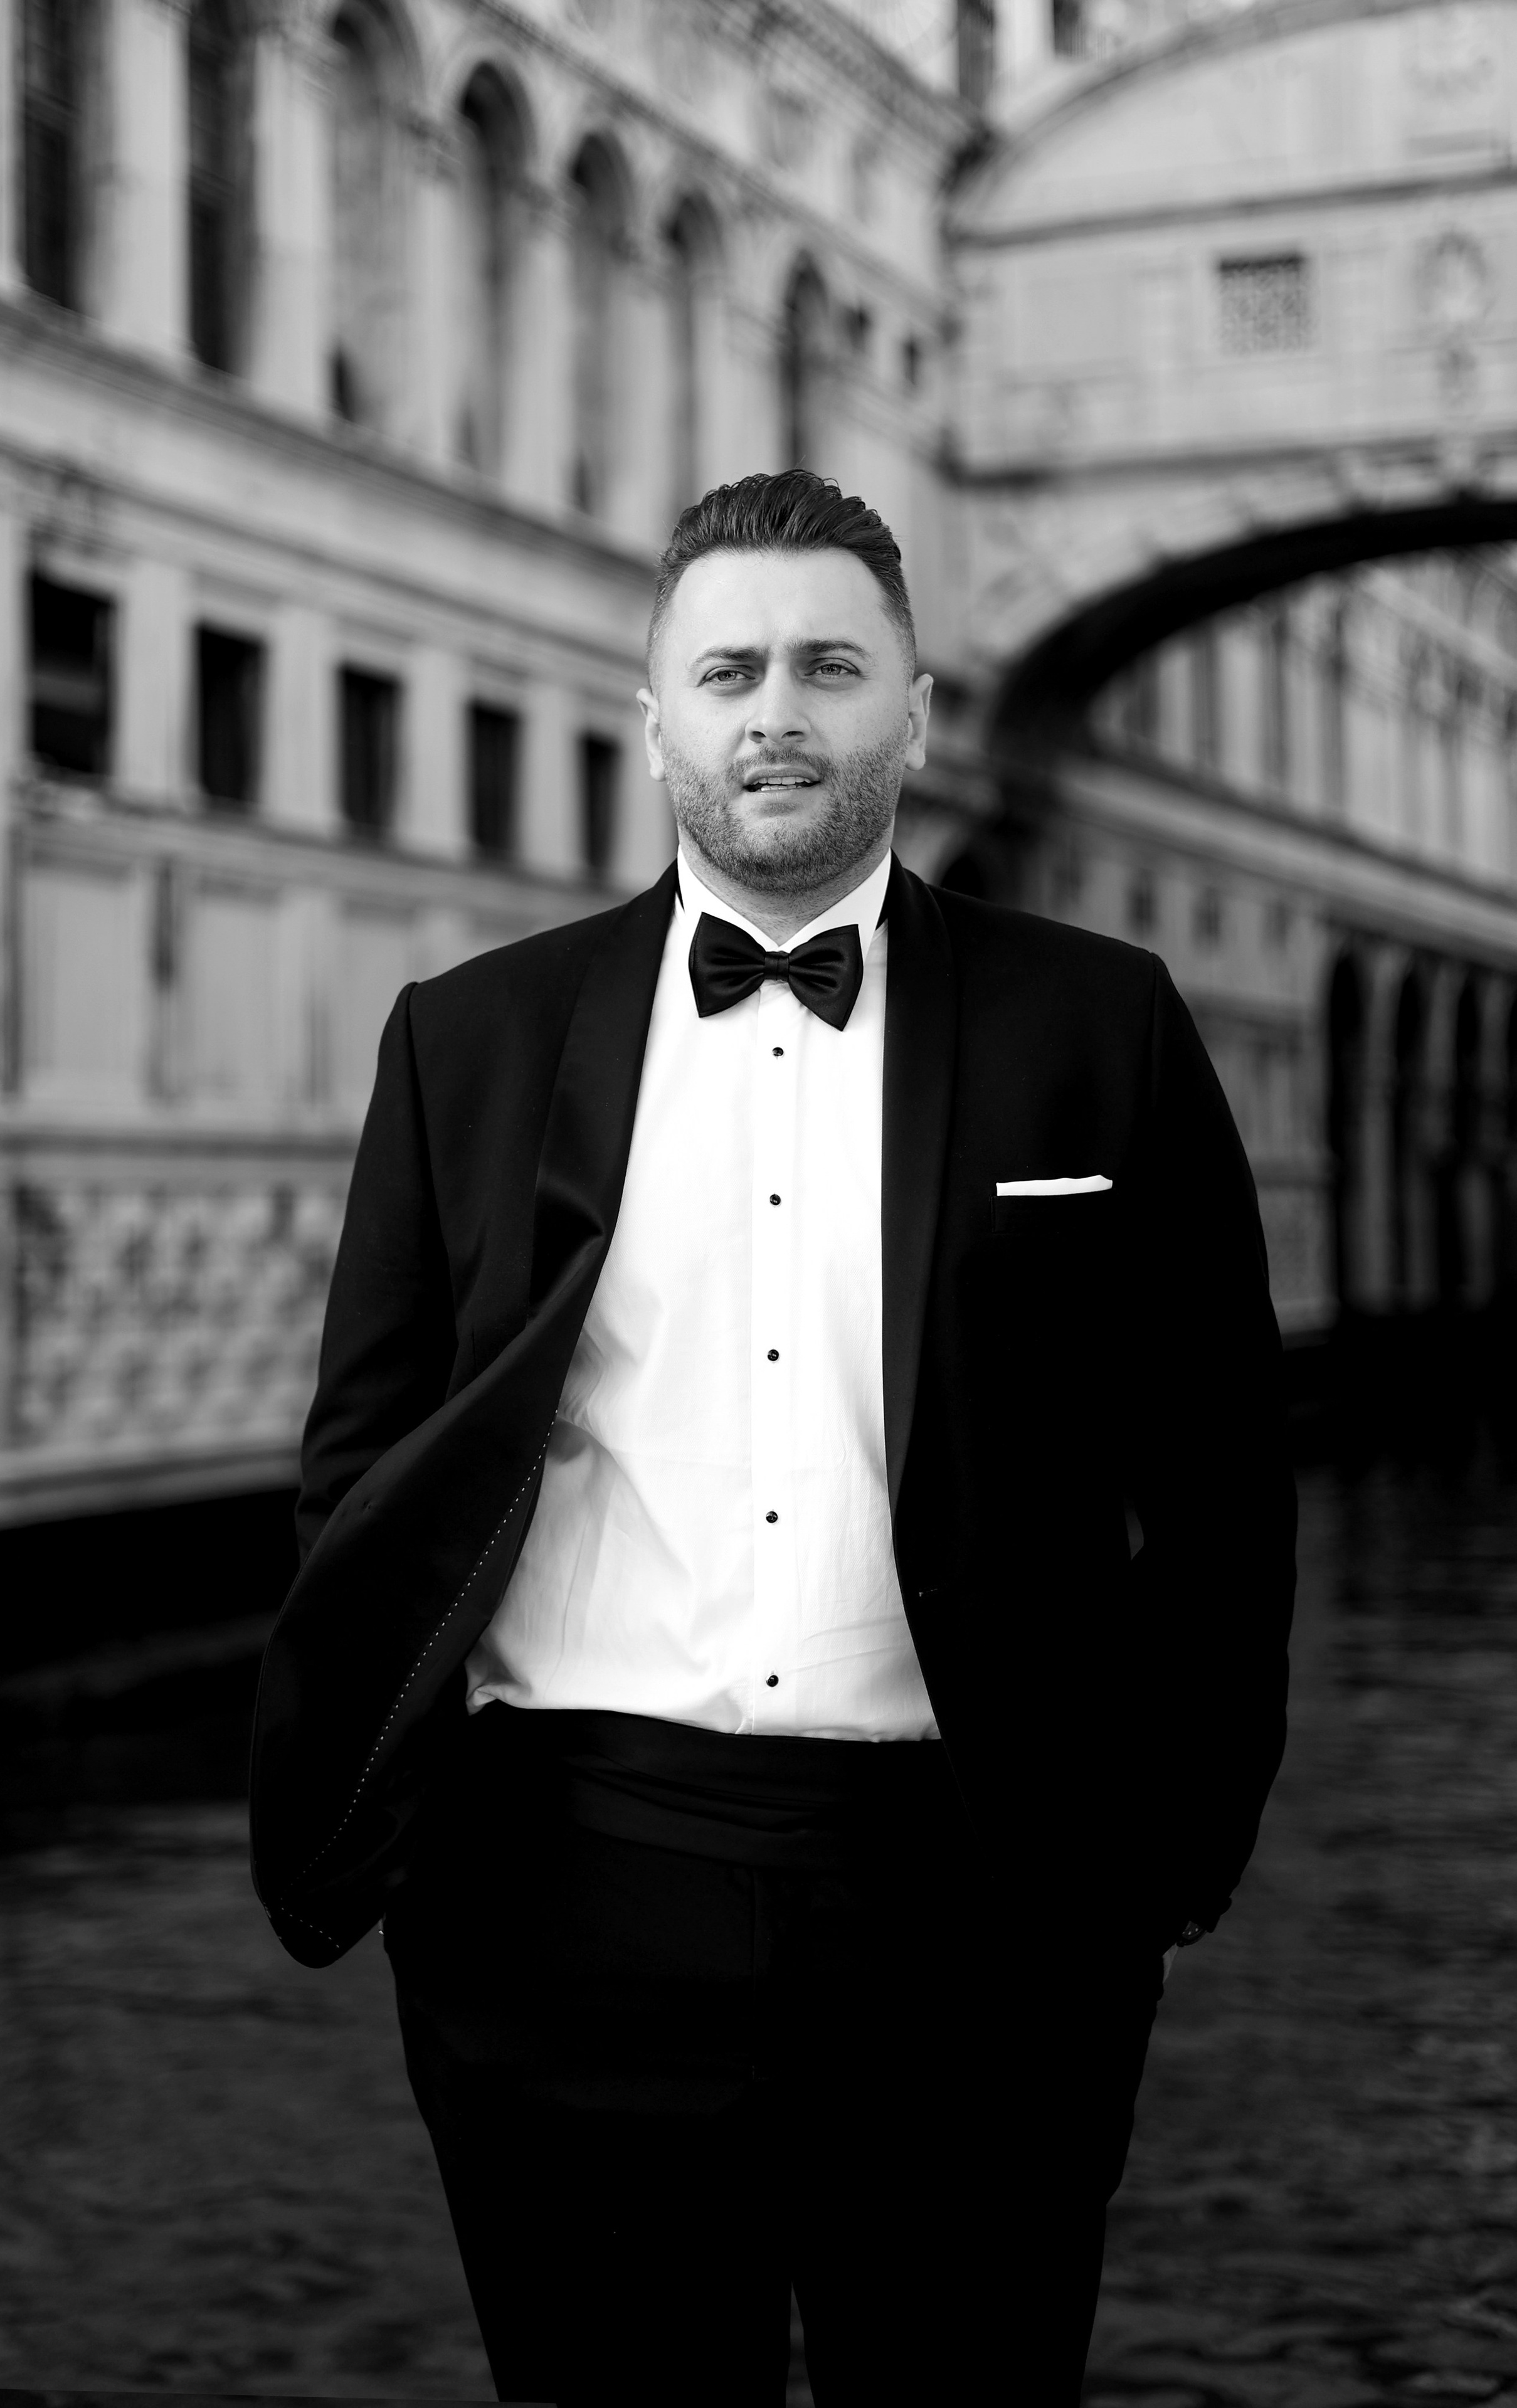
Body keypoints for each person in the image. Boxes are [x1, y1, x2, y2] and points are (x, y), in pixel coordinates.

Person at [250, 468, 1296, 2405]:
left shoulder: (1106, 1024)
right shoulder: (465, 1036)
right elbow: (365, 1469)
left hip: (986, 1920)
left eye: (831, 666)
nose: (777, 713)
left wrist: (1168, 1860)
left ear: (914, 708)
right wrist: (414, 1854)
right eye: (727, 670)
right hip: (560, 1898)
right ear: (655, 718)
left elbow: (1223, 1478)